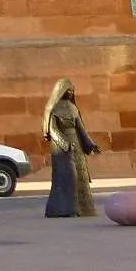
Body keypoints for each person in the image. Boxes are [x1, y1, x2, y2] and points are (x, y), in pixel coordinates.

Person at [42, 78, 99, 217]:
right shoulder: (52, 109)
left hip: (77, 146)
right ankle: (65, 209)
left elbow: (81, 129)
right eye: (68, 90)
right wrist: (64, 144)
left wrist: (90, 144)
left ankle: (84, 209)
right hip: (62, 149)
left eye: (72, 91)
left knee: (81, 177)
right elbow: (52, 129)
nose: (70, 93)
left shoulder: (73, 108)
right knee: (68, 177)